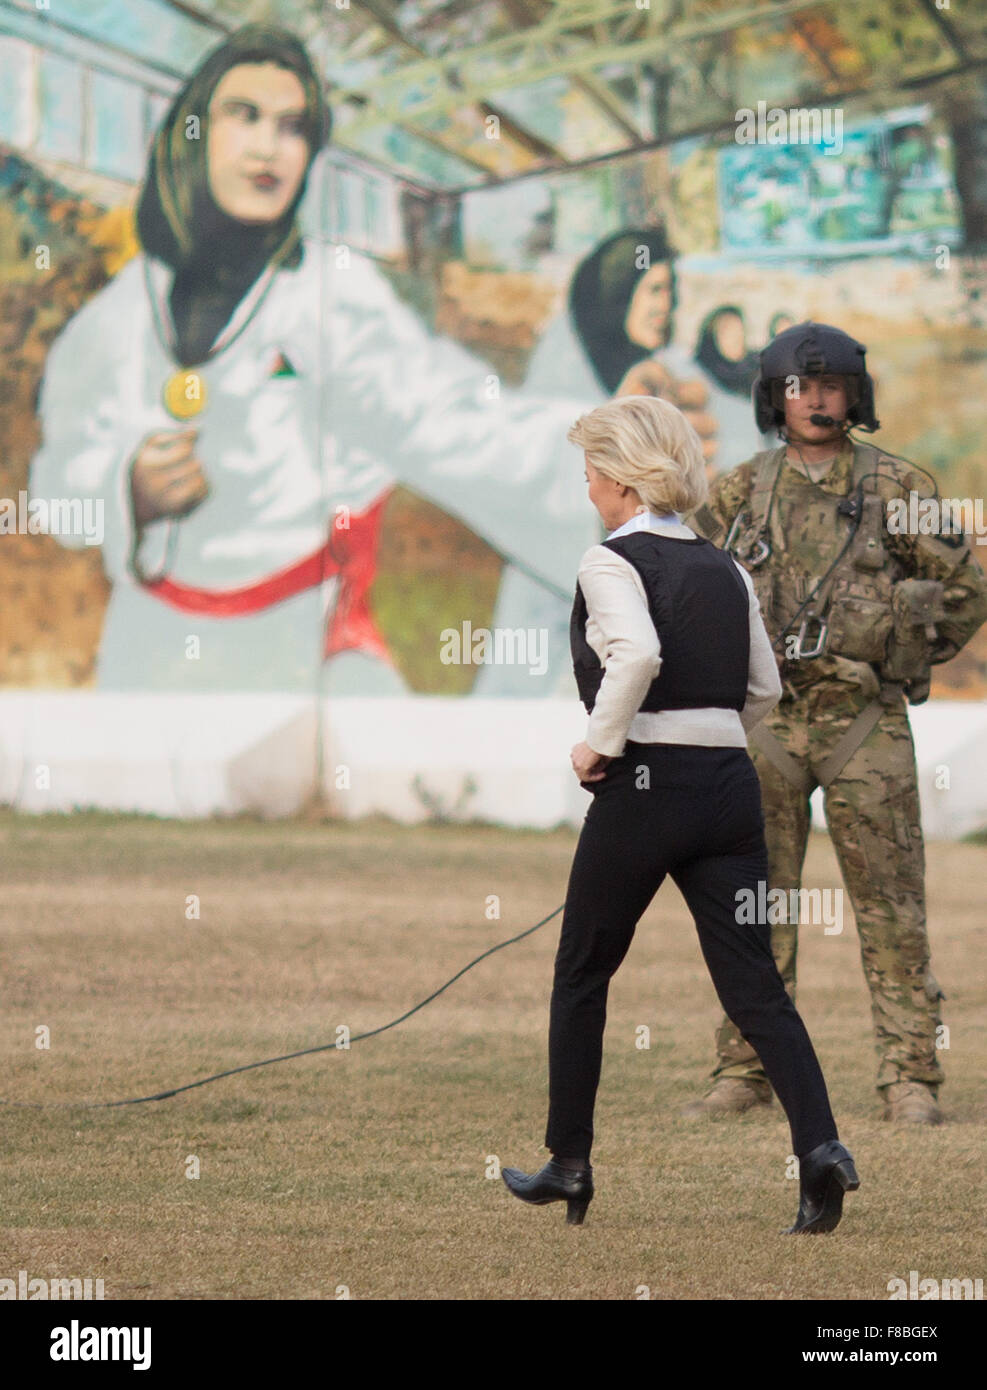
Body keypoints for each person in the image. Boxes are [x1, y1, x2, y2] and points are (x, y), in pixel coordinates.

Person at [29, 24, 597, 694]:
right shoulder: (118, 316)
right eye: (244, 116)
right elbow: (56, 490)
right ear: (193, 132)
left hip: (296, 650)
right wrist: (128, 489)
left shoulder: (333, 297)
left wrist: (614, 454)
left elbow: (448, 420)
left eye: (293, 127)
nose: (269, 146)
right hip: (145, 653)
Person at [500, 395, 859, 1232]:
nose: (585, 485)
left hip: (646, 785)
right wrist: (705, 740)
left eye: (590, 470)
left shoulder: (608, 561)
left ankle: (569, 1162)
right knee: (755, 986)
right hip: (730, 784)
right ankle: (820, 1150)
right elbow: (763, 688)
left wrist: (598, 745)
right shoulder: (724, 566)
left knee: (582, 973)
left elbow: (637, 654)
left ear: (621, 478)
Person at [682, 322, 987, 1125]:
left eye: (830, 387)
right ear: (772, 397)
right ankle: (743, 1070)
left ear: (855, 395)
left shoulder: (899, 489)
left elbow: (966, 589)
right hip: (767, 726)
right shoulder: (737, 493)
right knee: (755, 904)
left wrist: (896, 650)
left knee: (890, 907)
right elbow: (694, 595)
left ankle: (908, 1078)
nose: (815, 400)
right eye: (798, 387)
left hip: (863, 724)